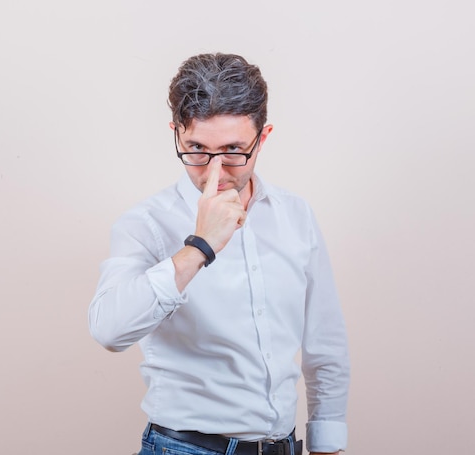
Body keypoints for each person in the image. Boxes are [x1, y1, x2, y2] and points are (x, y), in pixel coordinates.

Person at [88, 53, 349, 455]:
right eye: (196, 148)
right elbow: (109, 330)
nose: (214, 170)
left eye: (233, 149)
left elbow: (325, 342)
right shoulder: (145, 223)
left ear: (262, 139)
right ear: (176, 133)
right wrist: (200, 246)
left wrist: (327, 443)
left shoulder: (295, 215)